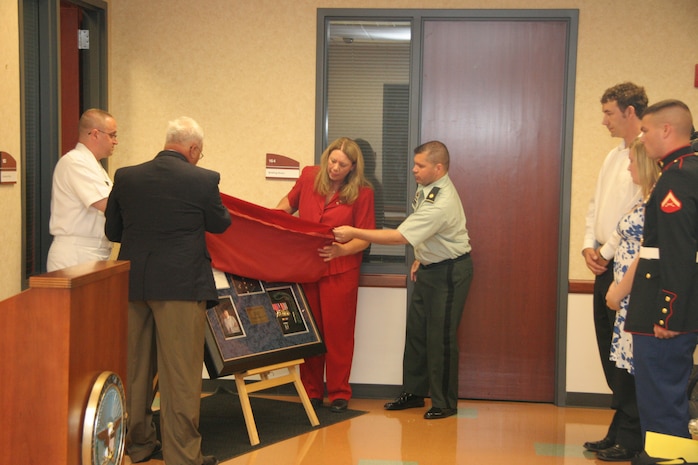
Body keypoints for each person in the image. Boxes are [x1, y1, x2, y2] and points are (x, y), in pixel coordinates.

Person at [105, 116, 231, 465]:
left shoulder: (126, 176)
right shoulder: (203, 180)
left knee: (136, 369)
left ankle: (140, 444)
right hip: (180, 286)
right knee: (180, 375)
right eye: (199, 153)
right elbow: (221, 223)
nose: (199, 158)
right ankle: (182, 455)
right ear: (192, 149)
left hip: (134, 284)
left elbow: (113, 229)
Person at [333, 140, 473, 420]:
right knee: (417, 333)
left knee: (441, 338)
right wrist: (422, 255)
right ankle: (414, 391)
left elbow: (400, 236)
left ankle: (445, 403)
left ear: (439, 167)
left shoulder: (441, 201)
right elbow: (428, 232)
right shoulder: (427, 188)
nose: (414, 170)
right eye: (415, 164)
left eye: (420, 166)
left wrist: (355, 231)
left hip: (449, 272)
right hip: (430, 267)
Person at [275, 137, 375, 413]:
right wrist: (272, 219)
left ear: (353, 167)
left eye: (342, 165)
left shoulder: (363, 193)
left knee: (338, 334)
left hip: (341, 270)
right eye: (332, 161)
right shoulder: (309, 176)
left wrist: (341, 252)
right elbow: (287, 204)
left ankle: (340, 392)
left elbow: (364, 238)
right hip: (307, 267)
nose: (334, 168)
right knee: (310, 332)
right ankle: (312, 391)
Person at [624, 100, 698, 448]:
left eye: (646, 129)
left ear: (666, 130)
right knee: (662, 403)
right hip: (667, 306)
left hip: (664, 312)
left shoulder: (678, 176)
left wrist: (668, 312)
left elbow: (678, 252)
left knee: (662, 406)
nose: (642, 136)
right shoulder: (684, 170)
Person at [581, 82, 648, 459]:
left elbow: (634, 219)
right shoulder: (612, 156)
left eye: (609, 112)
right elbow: (595, 205)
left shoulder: (644, 156)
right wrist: (589, 245)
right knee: (611, 351)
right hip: (604, 264)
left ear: (630, 112)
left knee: (627, 355)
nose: (603, 120)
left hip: (625, 268)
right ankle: (618, 425)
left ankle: (629, 431)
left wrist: (605, 251)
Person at [602, 140, 660, 461]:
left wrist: (620, 290)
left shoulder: (656, 204)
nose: (628, 168)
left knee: (635, 369)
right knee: (625, 369)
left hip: (635, 295)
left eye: (633, 163)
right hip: (625, 296)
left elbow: (645, 255)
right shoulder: (643, 197)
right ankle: (621, 430)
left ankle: (632, 438)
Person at [46, 108, 118, 271]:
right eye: (112, 135)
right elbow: (107, 205)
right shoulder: (75, 162)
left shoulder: (94, 165)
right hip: (76, 253)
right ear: (95, 134)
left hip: (93, 252)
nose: (115, 141)